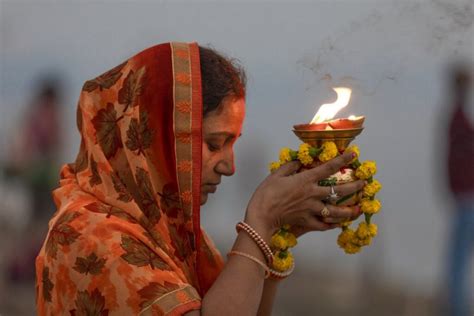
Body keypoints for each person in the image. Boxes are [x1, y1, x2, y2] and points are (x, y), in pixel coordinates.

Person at [35, 42, 364, 315]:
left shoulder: (166, 234)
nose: (228, 167)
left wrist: (277, 236)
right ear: (154, 139)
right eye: (213, 144)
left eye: (232, 143)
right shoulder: (89, 234)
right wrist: (261, 220)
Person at [445, 64, 473, 316]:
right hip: (466, 199)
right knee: (458, 261)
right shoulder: (458, 119)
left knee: (458, 260)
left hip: (467, 199)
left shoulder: (458, 118)